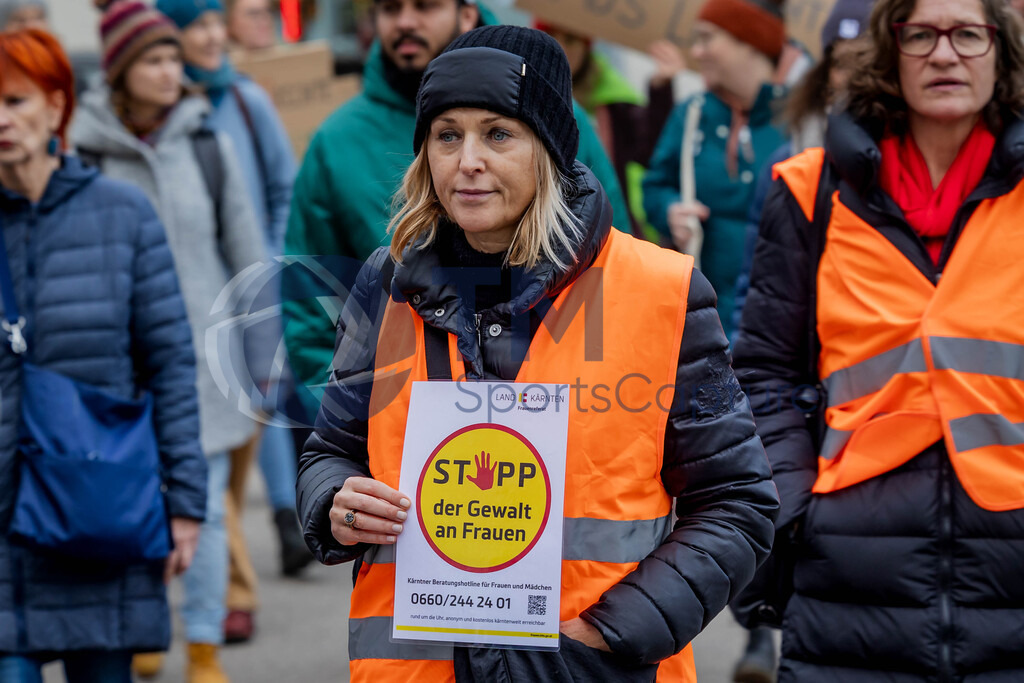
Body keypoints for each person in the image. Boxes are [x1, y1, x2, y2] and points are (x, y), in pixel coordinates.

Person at [296, 24, 779, 683]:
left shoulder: (660, 290)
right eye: (447, 135)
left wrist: (612, 633)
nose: (467, 160)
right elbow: (332, 451)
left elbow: (738, 501)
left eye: (498, 134)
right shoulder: (387, 284)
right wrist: (334, 503)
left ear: (548, 149)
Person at [734, 0, 1024, 677]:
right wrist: (796, 510)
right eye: (920, 33)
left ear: (1001, 52)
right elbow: (761, 372)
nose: (944, 54)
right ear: (889, 52)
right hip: (848, 579)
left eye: (968, 35)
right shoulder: (810, 190)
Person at [283, 0, 632, 426]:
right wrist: (356, 424)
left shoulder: (554, 113)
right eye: (446, 135)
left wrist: (590, 412)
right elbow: (308, 297)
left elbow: (610, 262)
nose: (406, 22)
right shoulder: (337, 141)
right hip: (409, 442)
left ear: (466, 13)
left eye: (499, 134)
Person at [0, 28, 206, 682]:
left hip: (98, 512)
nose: (0, 120)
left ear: (57, 105)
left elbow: (170, 362)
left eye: (16, 100)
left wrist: (184, 502)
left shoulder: (122, 214)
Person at [70, 3, 268, 680]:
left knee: (205, 506)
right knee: (134, 506)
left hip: (205, 362)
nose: (169, 70)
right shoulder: (83, 148)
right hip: (116, 366)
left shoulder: (206, 139)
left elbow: (245, 253)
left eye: (169, 58)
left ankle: (205, 644)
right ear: (121, 71)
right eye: (152, 60)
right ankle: (146, 624)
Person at [155, 0, 310, 645]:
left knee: (258, 425)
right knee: (210, 466)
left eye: (219, 22)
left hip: (248, 296)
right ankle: (230, 596)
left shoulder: (247, 101)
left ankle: (282, 519)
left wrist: (266, 262)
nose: (213, 36)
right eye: (198, 26)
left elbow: (283, 189)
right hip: (184, 314)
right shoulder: (164, 122)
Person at [643, 0, 787, 338]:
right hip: (699, 324)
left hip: (778, 327)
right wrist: (670, 210)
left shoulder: (799, 120)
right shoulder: (692, 114)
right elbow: (653, 187)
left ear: (749, 40)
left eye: (707, 38)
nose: (697, 51)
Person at [535, 21, 683, 237]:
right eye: (551, 37)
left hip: (606, 228)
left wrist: (661, 87)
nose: (561, 48)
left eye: (571, 40)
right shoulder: (522, 99)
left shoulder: (614, 103)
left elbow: (653, 152)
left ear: (586, 47)